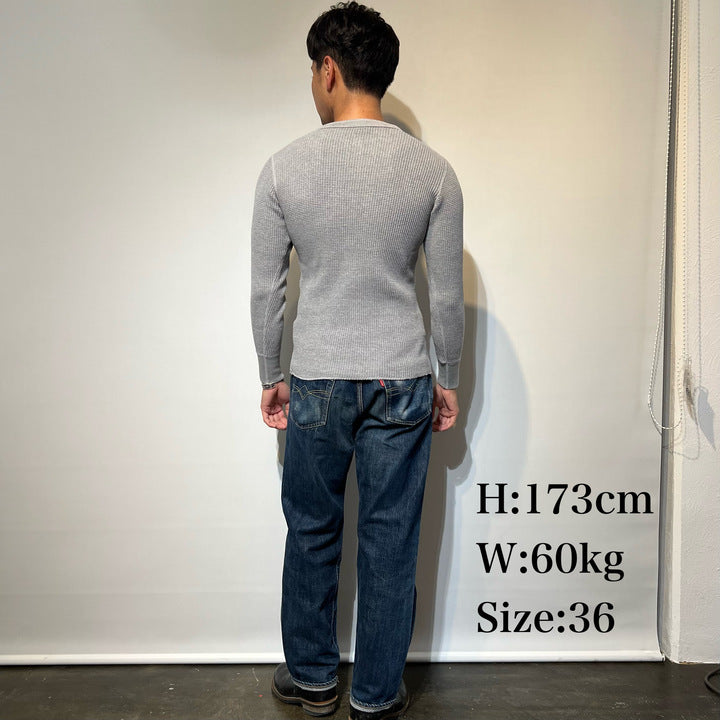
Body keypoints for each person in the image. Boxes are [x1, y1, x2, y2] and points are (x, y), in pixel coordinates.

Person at [250, 3, 464, 718]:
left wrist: (270, 374)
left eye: (313, 73)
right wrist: (449, 377)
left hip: (316, 378)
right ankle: (375, 694)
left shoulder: (283, 169)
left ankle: (313, 679)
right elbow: (447, 295)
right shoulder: (433, 173)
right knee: (390, 538)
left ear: (329, 70)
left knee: (312, 530)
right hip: (402, 377)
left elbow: (268, 290)